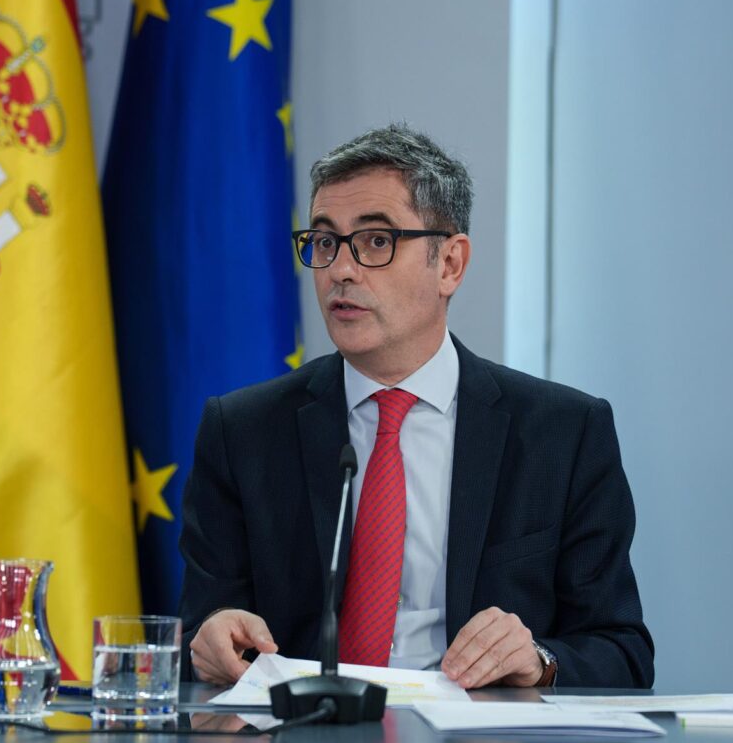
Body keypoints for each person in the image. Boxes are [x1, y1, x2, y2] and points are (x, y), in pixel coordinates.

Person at [178, 124, 653, 689]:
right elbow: (201, 633)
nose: (340, 271)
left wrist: (541, 660)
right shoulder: (244, 431)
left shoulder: (564, 433)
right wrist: (209, 637)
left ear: (450, 264)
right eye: (325, 242)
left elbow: (623, 654)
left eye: (376, 241)